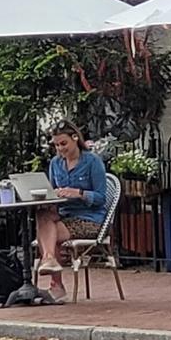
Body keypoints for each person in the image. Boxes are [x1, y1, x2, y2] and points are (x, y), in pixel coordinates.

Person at [32, 121, 107, 304]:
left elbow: (101, 197)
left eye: (63, 144)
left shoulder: (92, 161)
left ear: (75, 139)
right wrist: (52, 196)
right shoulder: (55, 163)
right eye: (56, 145)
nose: (60, 149)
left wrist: (79, 193)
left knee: (50, 233)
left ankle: (55, 282)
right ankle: (50, 260)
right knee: (43, 215)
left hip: (88, 217)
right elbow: (51, 191)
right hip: (63, 214)